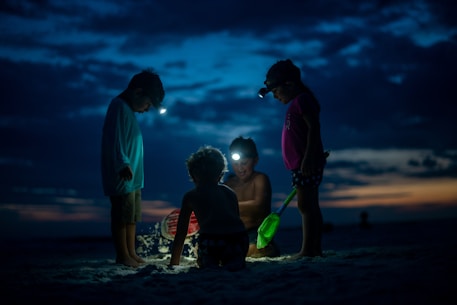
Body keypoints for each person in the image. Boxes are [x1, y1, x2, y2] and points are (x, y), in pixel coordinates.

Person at [258, 59, 328, 258]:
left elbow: (314, 128)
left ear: (289, 84)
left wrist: (308, 158)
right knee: (308, 205)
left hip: (306, 164)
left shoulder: (302, 100)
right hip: (301, 165)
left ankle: (309, 250)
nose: (275, 96)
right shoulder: (296, 103)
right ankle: (313, 249)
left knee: (307, 206)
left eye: (276, 91)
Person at [101, 69, 165, 267]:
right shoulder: (118, 106)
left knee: (131, 216)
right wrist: (122, 163)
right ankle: (123, 255)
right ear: (137, 92)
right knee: (121, 215)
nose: (146, 109)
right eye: (147, 104)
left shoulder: (128, 110)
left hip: (134, 177)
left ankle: (131, 252)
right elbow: (115, 138)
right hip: (123, 174)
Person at [169, 146, 249, 271]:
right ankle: (235, 261)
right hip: (238, 239)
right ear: (221, 174)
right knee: (234, 263)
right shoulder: (230, 193)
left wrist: (174, 262)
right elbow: (236, 221)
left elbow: (181, 232)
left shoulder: (191, 196)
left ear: (192, 174)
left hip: (213, 241)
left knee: (207, 263)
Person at [224, 136, 280, 258]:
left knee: (258, 250)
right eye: (236, 164)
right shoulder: (228, 184)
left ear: (255, 160)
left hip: (255, 234)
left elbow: (258, 206)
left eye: (244, 163)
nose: (240, 168)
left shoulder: (260, 179)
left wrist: (227, 206)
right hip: (233, 235)